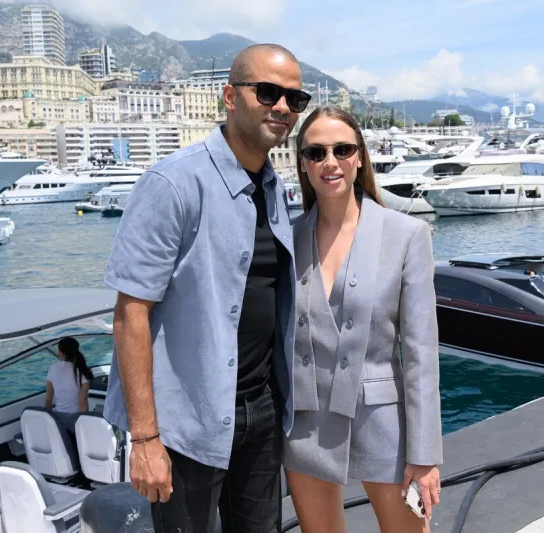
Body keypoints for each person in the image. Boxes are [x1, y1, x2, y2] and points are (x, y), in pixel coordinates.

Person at [103, 44, 309, 533]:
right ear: (230, 97)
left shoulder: (273, 188)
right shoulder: (173, 184)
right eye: (267, 92)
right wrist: (145, 439)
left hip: (261, 407)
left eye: (295, 99)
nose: (282, 107)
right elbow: (131, 314)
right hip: (185, 421)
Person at [283, 106, 442, 533]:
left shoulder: (406, 235)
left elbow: (421, 355)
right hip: (305, 425)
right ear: (303, 163)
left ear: (359, 157)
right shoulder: (287, 239)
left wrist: (424, 454)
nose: (330, 162)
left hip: (383, 423)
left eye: (342, 149)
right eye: (316, 152)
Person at [45, 337, 93, 431]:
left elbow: (48, 399)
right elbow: (82, 403)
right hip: (75, 418)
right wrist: (85, 425)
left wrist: (48, 420)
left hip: (58, 418)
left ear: (61, 353)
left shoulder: (52, 368)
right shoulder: (82, 371)